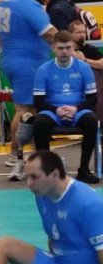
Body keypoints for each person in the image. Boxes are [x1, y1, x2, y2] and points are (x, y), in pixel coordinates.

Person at [0, 0, 57, 181]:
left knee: (28, 109)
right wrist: (70, 47)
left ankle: (27, 154)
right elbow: (50, 33)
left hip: (11, 59)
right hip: (28, 64)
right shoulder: (28, 5)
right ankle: (15, 155)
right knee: (24, 110)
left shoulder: (3, 2)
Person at [31, 31, 100, 183]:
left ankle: (84, 170)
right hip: (53, 111)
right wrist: (57, 110)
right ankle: (47, 171)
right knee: (39, 123)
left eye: (68, 48)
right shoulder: (43, 70)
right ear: (53, 48)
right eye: (60, 48)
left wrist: (76, 109)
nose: (64, 52)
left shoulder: (84, 68)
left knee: (91, 121)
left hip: (78, 110)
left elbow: (92, 98)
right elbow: (38, 101)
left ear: (73, 47)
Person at [69, 20, 103, 122]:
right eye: (78, 32)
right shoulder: (65, 49)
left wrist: (85, 60)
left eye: (84, 32)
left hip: (91, 84)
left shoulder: (89, 49)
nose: (82, 35)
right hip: (70, 82)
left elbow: (101, 64)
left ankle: (99, 120)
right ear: (70, 34)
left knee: (95, 73)